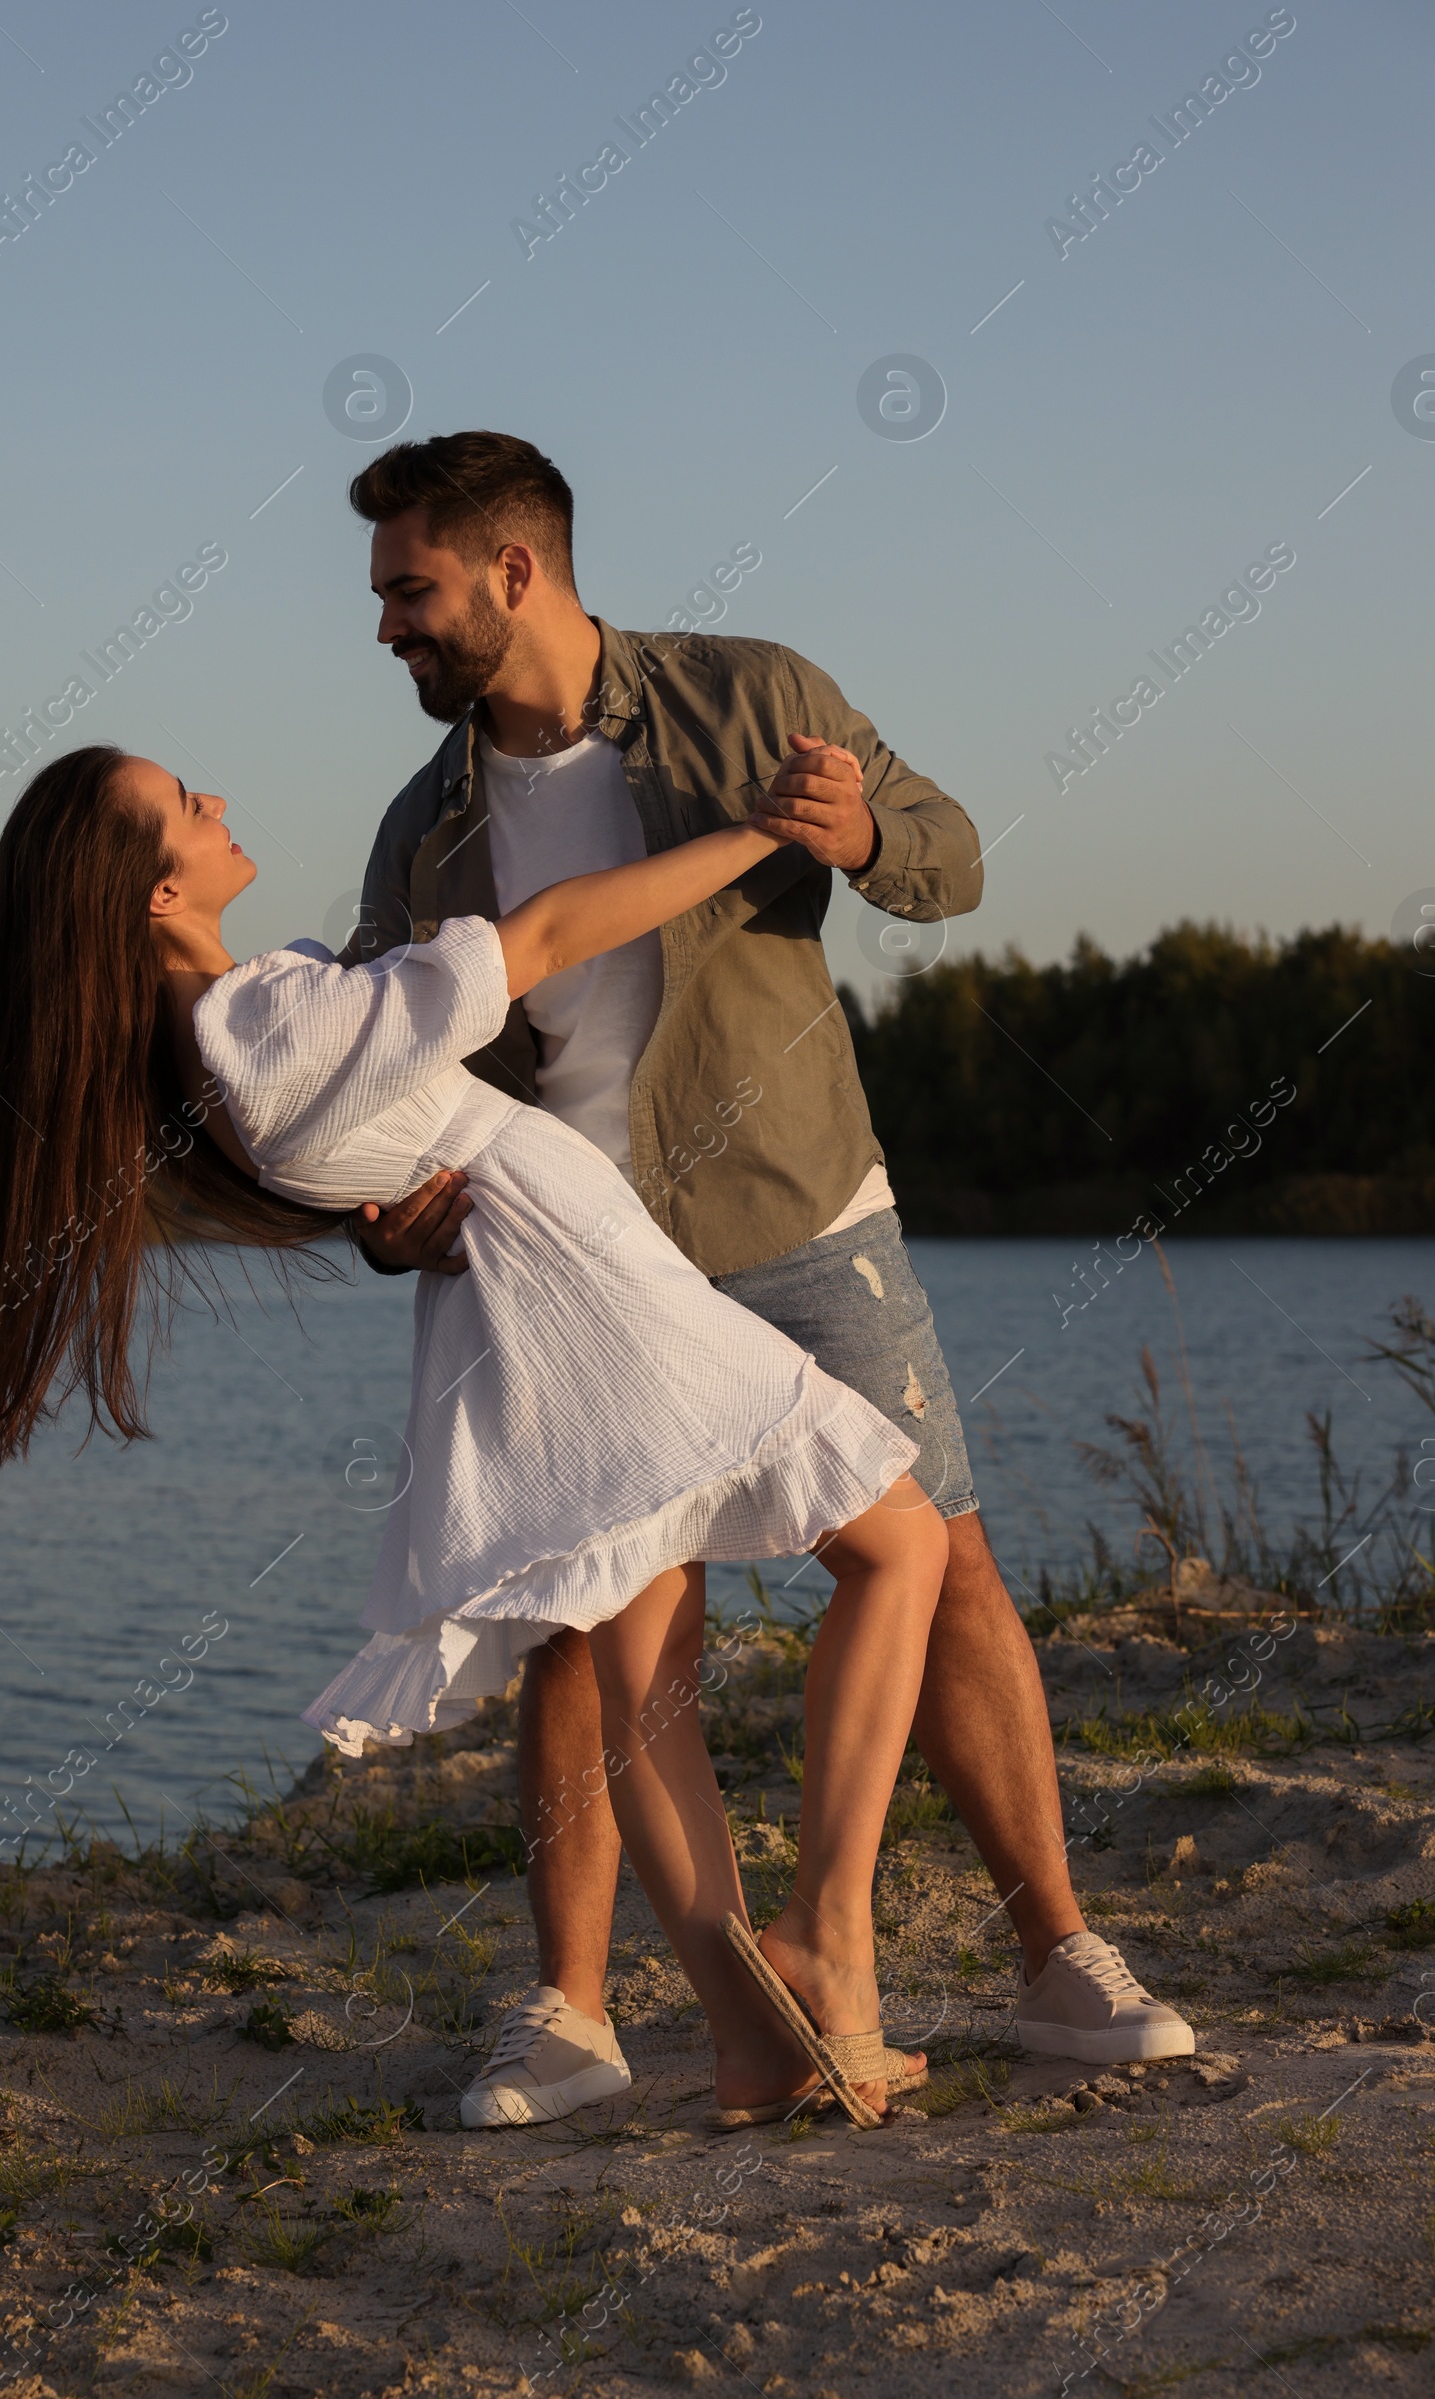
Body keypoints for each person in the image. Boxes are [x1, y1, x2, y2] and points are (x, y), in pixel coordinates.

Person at [342, 430, 1195, 2123]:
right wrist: (387, 1213)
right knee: (595, 1633)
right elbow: (378, 1079)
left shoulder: (752, 693)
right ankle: (576, 2018)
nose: (387, 627)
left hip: (803, 1218)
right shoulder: (424, 830)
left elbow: (952, 858)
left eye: (410, 590)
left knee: (936, 1561)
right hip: (574, 1273)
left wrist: (867, 828)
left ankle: (1057, 1957)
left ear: (518, 571)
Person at [0, 741, 952, 2126]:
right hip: (592, 1305)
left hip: (535, 1320)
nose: (222, 797)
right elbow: (540, 936)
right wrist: (763, 838)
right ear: (155, 893)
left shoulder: (221, 1044)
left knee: (645, 1681)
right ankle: (825, 1937)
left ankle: (753, 2039)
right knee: (899, 1544)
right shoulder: (263, 1021)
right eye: (189, 802)